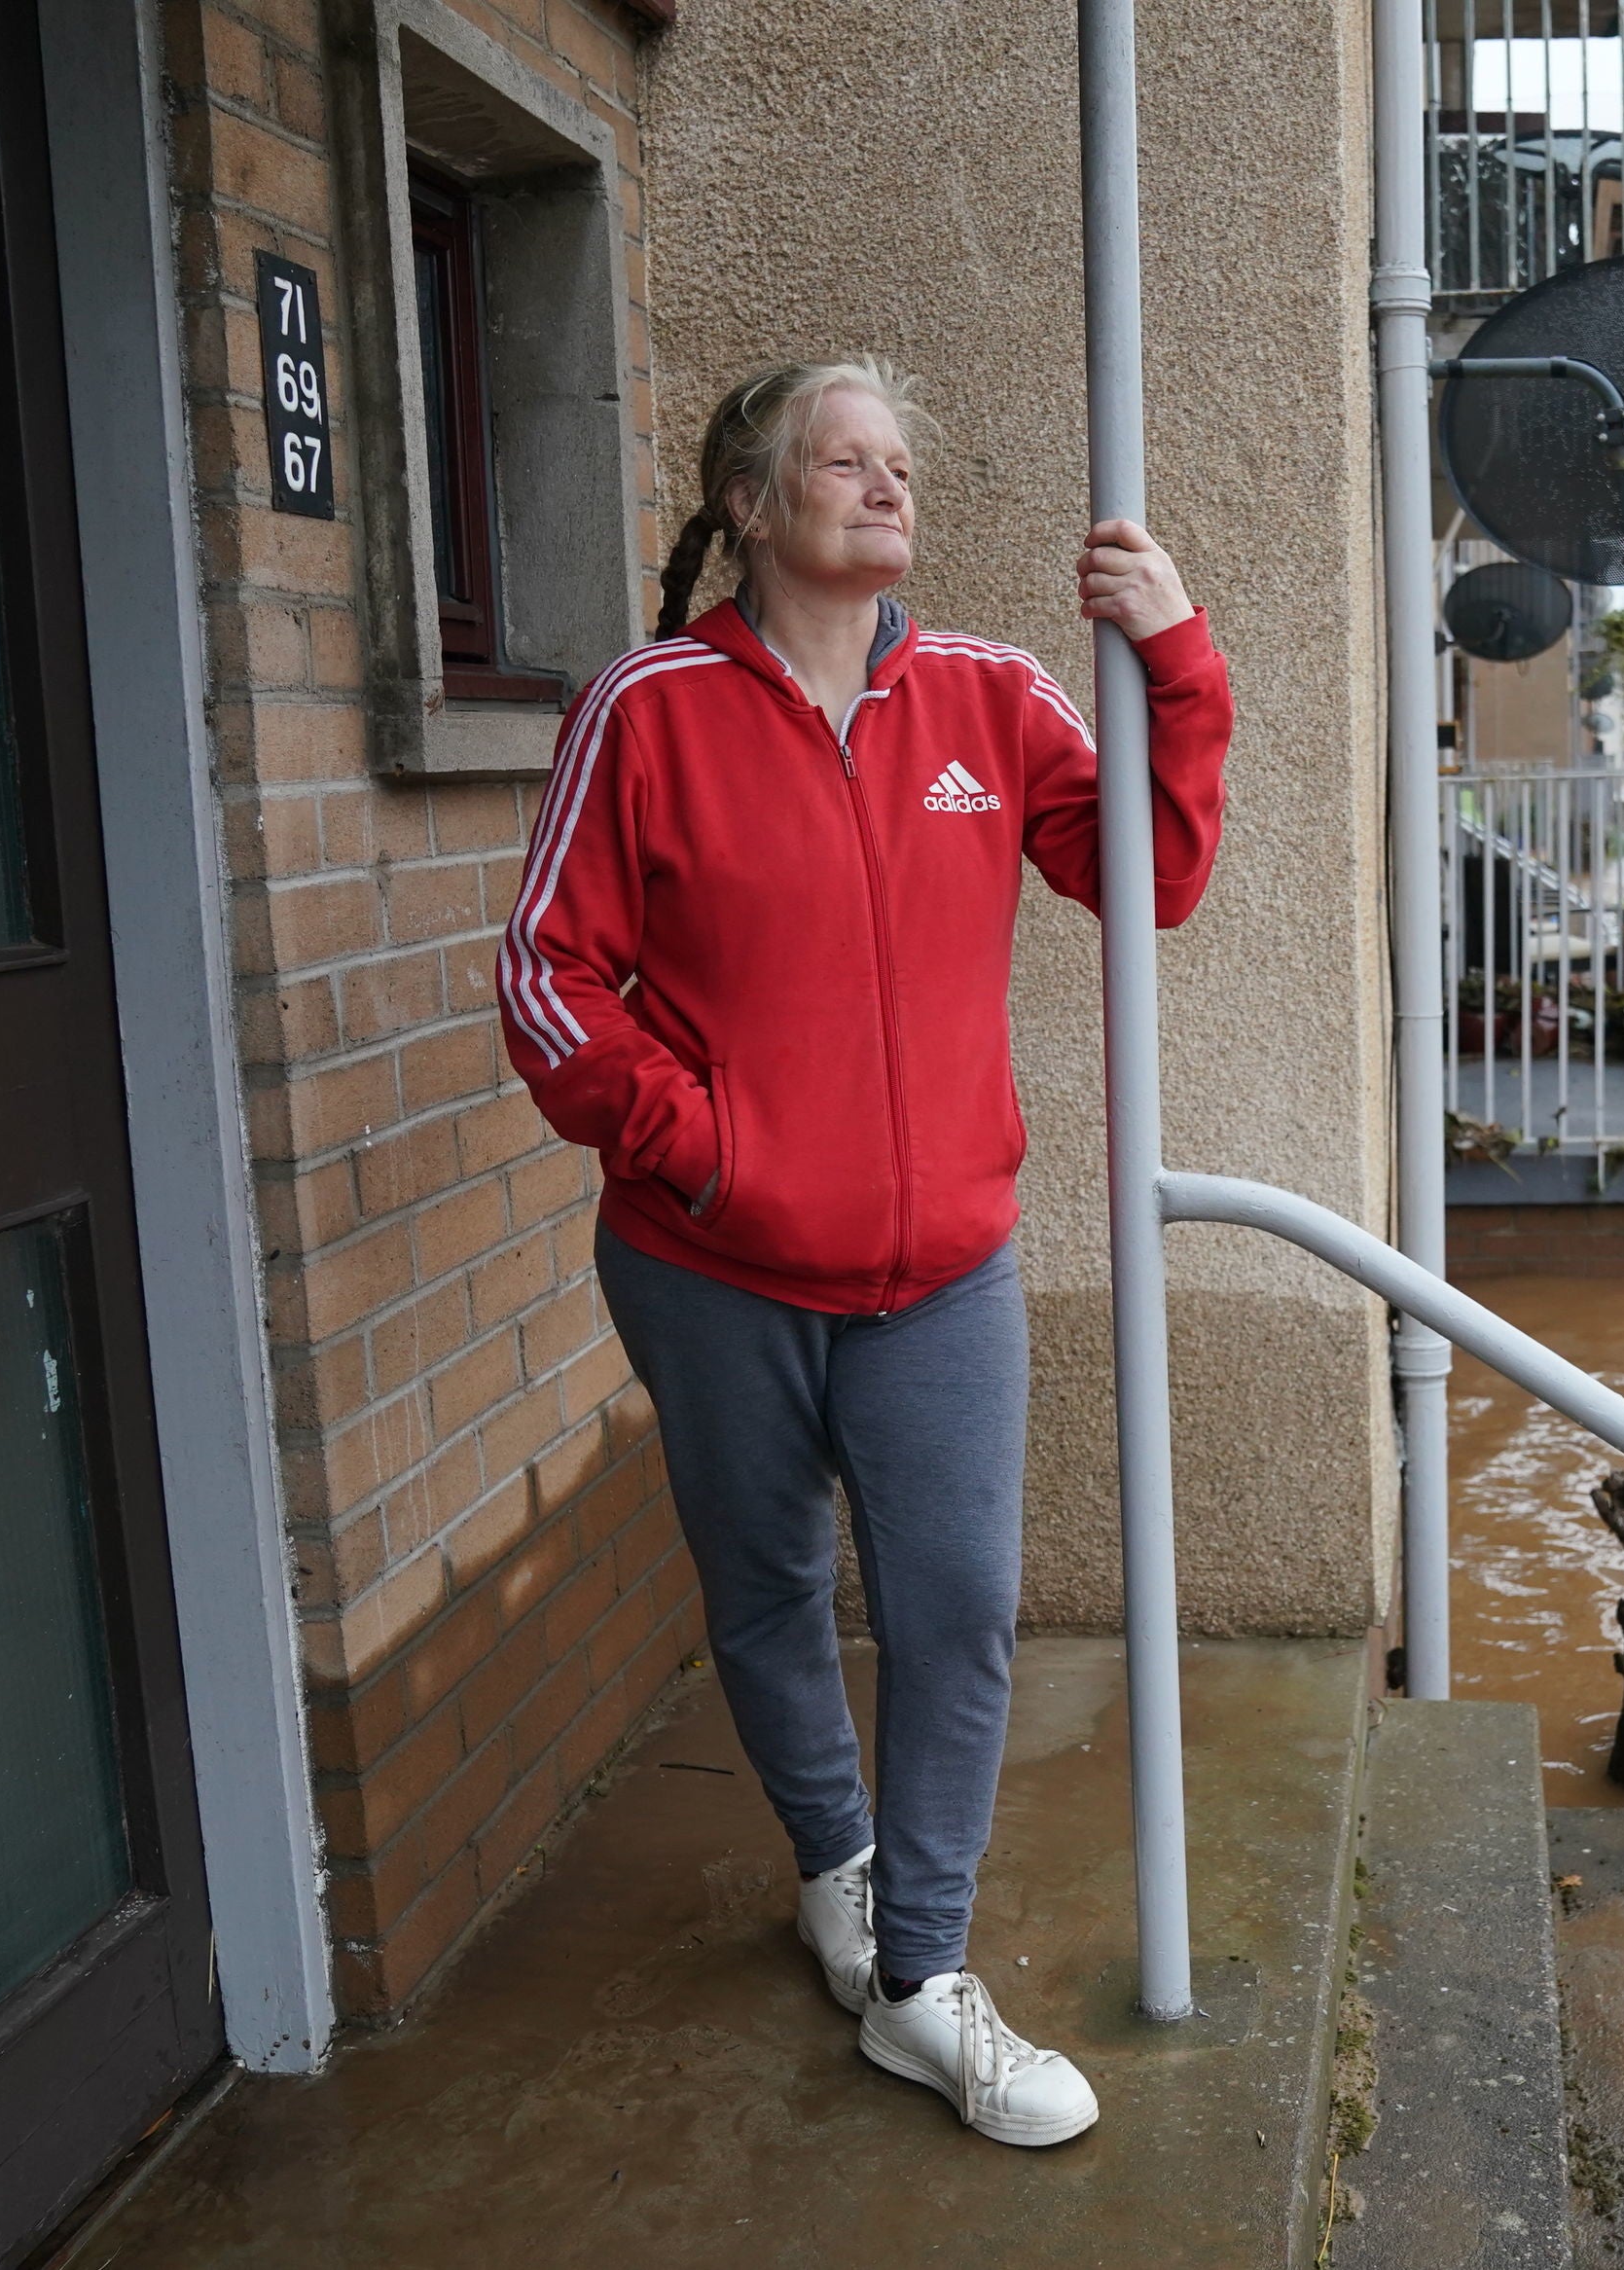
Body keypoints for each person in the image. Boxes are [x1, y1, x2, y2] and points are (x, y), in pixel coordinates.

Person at [498, 359, 1230, 2146]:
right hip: (710, 1265)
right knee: (763, 1587)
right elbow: (545, 975)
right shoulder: (649, 708)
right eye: (844, 455)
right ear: (750, 503)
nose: (887, 479)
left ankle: (921, 1977)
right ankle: (832, 1855)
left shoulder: (991, 696)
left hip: (945, 1273)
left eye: (903, 457)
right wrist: (700, 1144)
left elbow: (1152, 876)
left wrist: (1182, 656)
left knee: (960, 1606)